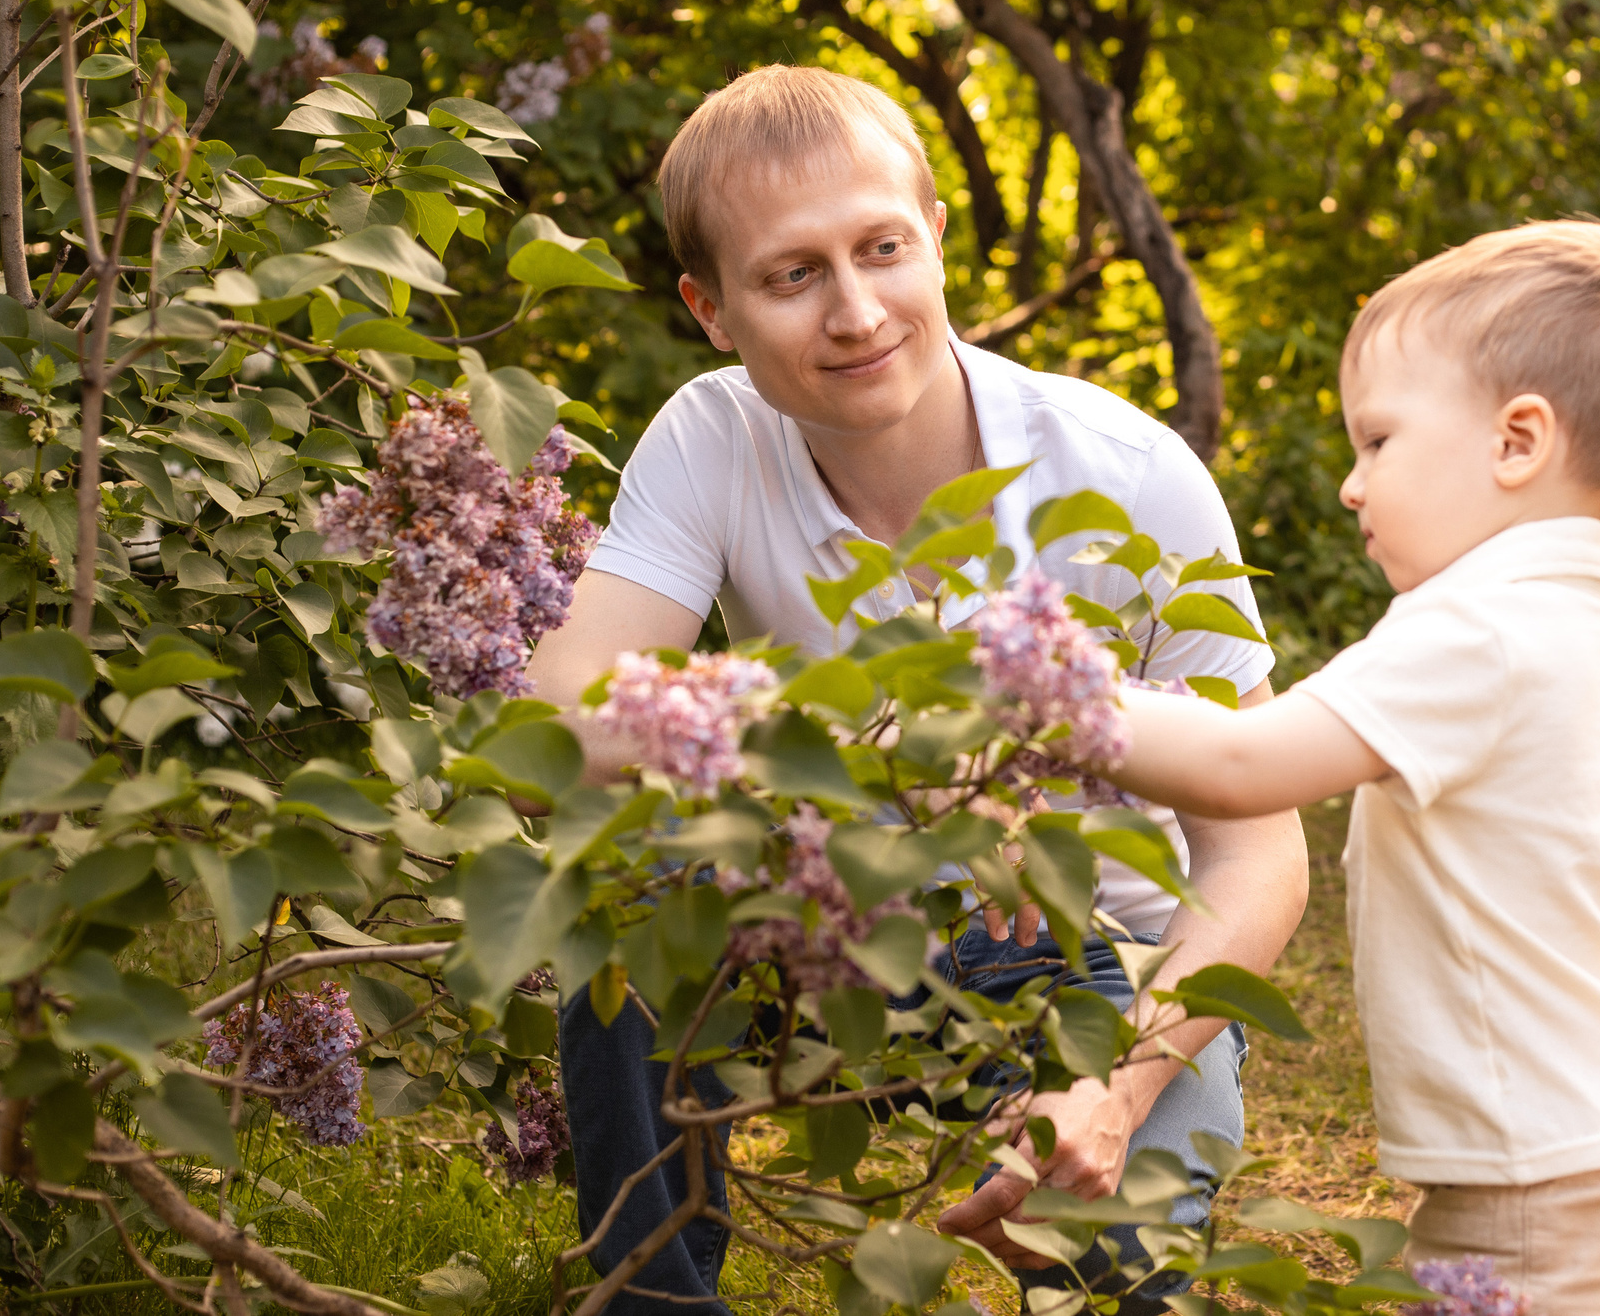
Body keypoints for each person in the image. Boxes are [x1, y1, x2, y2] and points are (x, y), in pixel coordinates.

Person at [525, 66, 1308, 1315]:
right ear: (711, 308)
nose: (855, 312)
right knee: (620, 876)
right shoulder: (709, 436)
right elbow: (559, 718)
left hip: (1076, 958)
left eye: (882, 249)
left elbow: (1261, 856)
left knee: (1135, 1254)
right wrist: (871, 738)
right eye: (792, 275)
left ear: (936, 235)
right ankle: (655, 1306)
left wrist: (1117, 1082)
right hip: (817, 923)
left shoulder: (1130, 479)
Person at [1073, 220, 1600, 1314]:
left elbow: (1241, 762)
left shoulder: (1474, 632)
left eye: (1377, 442)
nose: (1349, 487)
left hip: (1539, 1182)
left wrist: (1055, 692)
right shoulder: (1599, 654)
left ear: (1517, 442)